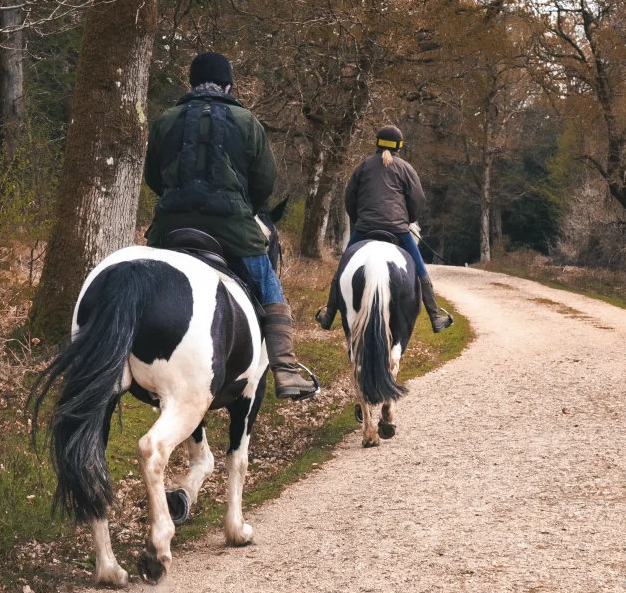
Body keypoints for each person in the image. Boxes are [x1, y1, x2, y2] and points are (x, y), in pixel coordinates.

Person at [142, 52, 317, 400]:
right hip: (233, 228)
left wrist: (179, 199)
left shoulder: (166, 119)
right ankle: (285, 369)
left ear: (191, 82)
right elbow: (265, 181)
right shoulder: (246, 120)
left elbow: (153, 177)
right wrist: (244, 207)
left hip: (169, 228)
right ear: (227, 84)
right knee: (269, 285)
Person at [335, 125, 453, 333]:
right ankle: (435, 317)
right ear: (399, 146)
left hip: (364, 228)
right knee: (420, 269)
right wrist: (408, 220)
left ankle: (328, 314)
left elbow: (350, 199)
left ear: (377, 143)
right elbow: (418, 201)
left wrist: (360, 220)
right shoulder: (406, 168)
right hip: (398, 230)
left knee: (342, 267)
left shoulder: (363, 166)